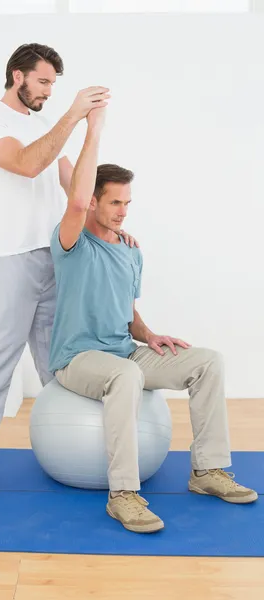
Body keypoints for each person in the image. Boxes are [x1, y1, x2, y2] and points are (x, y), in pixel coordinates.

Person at [49, 105, 258, 534]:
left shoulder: (130, 249)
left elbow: (125, 310)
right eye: (114, 202)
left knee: (208, 360)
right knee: (125, 374)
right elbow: (71, 187)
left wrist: (149, 334)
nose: (124, 211)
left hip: (124, 351)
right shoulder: (72, 243)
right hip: (78, 358)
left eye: (127, 202)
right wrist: (87, 127)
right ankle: (122, 495)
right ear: (92, 200)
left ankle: (207, 471)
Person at [0, 43, 137, 494]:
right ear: (17, 76)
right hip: (9, 258)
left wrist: (109, 227)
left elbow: (72, 183)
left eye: (54, 85)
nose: (48, 91)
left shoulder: (41, 124)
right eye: (42, 82)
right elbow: (27, 163)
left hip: (54, 256)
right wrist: (74, 115)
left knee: (60, 361)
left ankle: (70, 445)